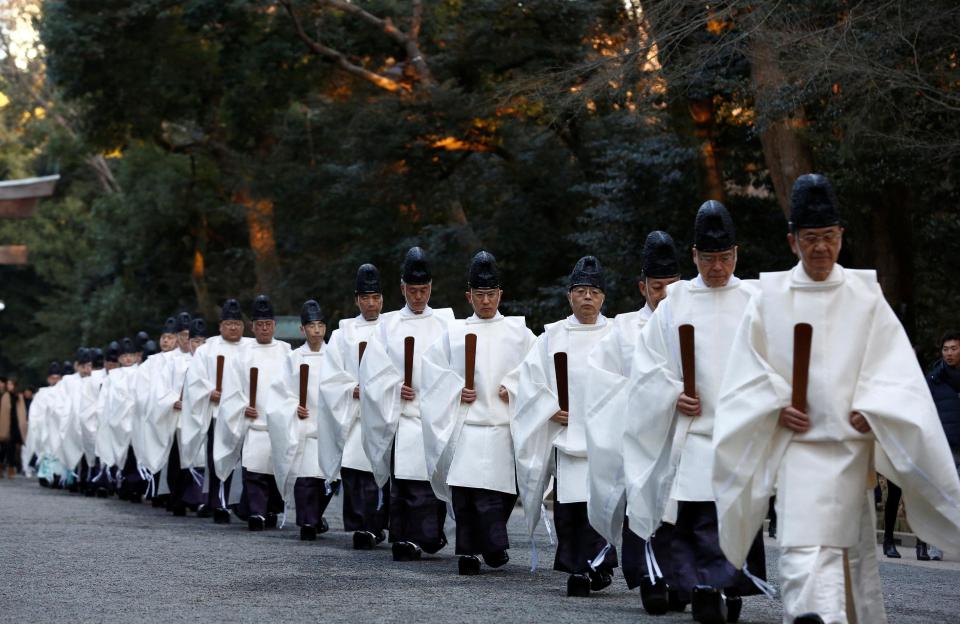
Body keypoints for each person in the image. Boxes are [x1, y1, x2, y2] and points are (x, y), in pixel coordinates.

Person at [713, 174, 960, 624]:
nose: (821, 248)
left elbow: (894, 369)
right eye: (811, 239)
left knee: (849, 556)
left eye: (829, 237)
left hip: (849, 451)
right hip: (797, 450)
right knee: (803, 548)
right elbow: (744, 374)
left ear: (842, 236)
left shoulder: (865, 296)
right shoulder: (768, 299)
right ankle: (812, 615)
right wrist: (773, 404)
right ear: (793, 242)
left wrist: (874, 406)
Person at [622, 202, 767, 623]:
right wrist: (672, 394)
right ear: (694, 256)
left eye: (724, 258)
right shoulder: (676, 302)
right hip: (696, 431)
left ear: (736, 255)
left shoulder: (755, 299)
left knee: (736, 516)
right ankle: (705, 588)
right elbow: (648, 365)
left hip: (740, 431)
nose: (717, 267)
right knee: (699, 516)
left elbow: (773, 362)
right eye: (708, 259)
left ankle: (731, 589)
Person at [420, 251, 537, 575]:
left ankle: (494, 546)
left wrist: (513, 385)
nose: (486, 301)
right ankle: (469, 551)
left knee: (498, 492)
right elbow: (431, 371)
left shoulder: (520, 333)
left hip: (500, 422)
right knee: (466, 492)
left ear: (500, 294)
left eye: (491, 294)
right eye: (480, 295)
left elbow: (536, 369)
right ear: (468, 295)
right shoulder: (454, 333)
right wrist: (456, 388)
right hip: (467, 423)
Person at [585, 231, 683, 613]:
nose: (665, 295)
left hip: (681, 434)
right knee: (643, 504)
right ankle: (649, 579)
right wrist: (641, 399)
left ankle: (682, 580)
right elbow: (601, 381)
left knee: (680, 510)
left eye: (672, 286)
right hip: (641, 436)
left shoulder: (692, 324)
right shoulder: (623, 329)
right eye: (657, 287)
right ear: (642, 286)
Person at [511, 255, 617, 597]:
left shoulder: (618, 334)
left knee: (601, 504)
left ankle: (598, 565)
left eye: (594, 292)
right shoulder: (552, 336)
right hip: (569, 438)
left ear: (603, 297)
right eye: (581, 291)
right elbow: (529, 382)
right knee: (572, 505)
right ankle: (578, 568)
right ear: (570, 296)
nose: (587, 297)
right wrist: (549, 408)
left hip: (605, 439)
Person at [360, 246, 454, 561]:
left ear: (431, 288)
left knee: (431, 478)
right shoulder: (388, 326)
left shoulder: (446, 323)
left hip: (435, 414)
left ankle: (428, 535)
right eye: (412, 290)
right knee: (406, 480)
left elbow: (456, 369)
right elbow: (372, 371)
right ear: (402, 288)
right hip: (403, 414)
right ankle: (404, 537)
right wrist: (394, 387)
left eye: (423, 290)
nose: (418, 296)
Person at [316, 263, 390, 550]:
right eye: (365, 298)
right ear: (356, 300)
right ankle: (362, 526)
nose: (371, 303)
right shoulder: (343, 333)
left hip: (383, 413)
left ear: (383, 299)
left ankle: (378, 525)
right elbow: (331, 375)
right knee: (356, 472)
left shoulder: (392, 327)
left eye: (376, 297)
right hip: (354, 413)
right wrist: (350, 388)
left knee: (379, 471)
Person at [216, 295, 291, 531]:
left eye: (268, 324)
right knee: (255, 470)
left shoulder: (286, 351)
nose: (264, 328)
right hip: (254, 420)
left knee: (276, 469)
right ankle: (256, 512)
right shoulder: (243, 354)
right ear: (253, 326)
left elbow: (293, 384)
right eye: (260, 324)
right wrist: (241, 407)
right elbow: (233, 388)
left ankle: (270, 510)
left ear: (274, 325)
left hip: (278, 421)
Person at [180, 299, 252, 523]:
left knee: (248, 461)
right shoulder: (208, 348)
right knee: (218, 459)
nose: (233, 328)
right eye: (229, 323)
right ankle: (217, 502)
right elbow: (194, 379)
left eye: (237, 323)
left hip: (245, 414)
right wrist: (208, 392)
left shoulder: (251, 346)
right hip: (216, 413)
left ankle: (248, 505)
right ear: (220, 326)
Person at [281, 300, 335, 541]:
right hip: (304, 423)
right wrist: (294, 407)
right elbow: (281, 391)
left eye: (321, 325)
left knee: (328, 478)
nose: (316, 330)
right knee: (305, 478)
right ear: (302, 329)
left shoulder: (335, 355)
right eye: (311, 326)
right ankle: (307, 523)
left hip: (330, 424)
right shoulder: (293, 358)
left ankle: (315, 516)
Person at [916, 330, 960, 561]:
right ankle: (934, 547)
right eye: (946, 349)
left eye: (954, 348)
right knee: (940, 495)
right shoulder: (934, 379)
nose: (949, 353)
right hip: (943, 444)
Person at [0, 376, 26, 478]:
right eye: (8, 384)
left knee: (13, 448)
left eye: (11, 384)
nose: (9, 386)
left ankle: (11, 468)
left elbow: (22, 411)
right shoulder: (5, 396)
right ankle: (2, 466)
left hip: (16, 425)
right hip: (6, 424)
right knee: (4, 448)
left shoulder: (19, 396)